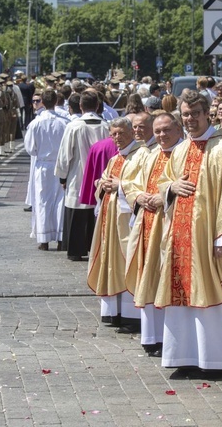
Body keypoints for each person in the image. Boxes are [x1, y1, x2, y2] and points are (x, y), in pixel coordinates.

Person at [154, 90, 222, 379]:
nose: (190, 119)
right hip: (179, 238)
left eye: (195, 114)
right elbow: (164, 181)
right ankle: (184, 355)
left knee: (212, 294)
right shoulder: (180, 149)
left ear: (207, 115)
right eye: (186, 115)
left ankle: (217, 360)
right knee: (180, 295)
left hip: (208, 238)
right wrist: (170, 188)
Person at [123, 113, 183, 357]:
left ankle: (167, 337)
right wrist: (138, 197)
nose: (161, 136)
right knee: (148, 273)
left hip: (171, 222)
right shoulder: (150, 155)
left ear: (178, 129)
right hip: (147, 221)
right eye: (157, 132)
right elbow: (131, 183)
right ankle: (151, 336)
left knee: (165, 274)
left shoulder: (184, 154)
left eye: (167, 130)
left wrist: (164, 196)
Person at [87, 117, 150, 329]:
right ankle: (113, 312)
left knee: (126, 260)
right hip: (109, 218)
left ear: (131, 132)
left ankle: (131, 314)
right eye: (113, 134)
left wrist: (120, 186)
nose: (117, 138)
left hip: (126, 220)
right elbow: (105, 179)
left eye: (121, 133)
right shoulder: (115, 158)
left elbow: (143, 184)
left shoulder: (141, 154)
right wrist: (101, 183)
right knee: (110, 260)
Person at [55, 90, 110, 261]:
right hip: (100, 177)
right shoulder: (106, 126)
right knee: (96, 213)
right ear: (98, 106)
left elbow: (65, 154)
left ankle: (75, 250)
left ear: (80, 106)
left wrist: (62, 176)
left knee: (77, 213)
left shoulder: (74, 126)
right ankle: (95, 249)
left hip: (78, 176)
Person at [23, 90, 68, 251]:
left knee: (42, 200)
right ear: (56, 101)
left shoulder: (36, 123)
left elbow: (30, 148)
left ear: (42, 102)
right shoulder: (65, 122)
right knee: (60, 200)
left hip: (43, 164)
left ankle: (44, 239)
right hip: (60, 164)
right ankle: (61, 237)